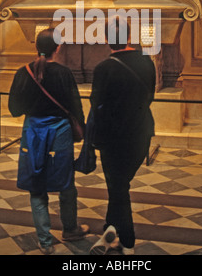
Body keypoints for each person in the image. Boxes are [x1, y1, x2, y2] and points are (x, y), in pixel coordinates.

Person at [8, 28, 89, 255]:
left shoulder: (23, 73)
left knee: (36, 186)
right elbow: (75, 107)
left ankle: (45, 242)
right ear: (58, 47)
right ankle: (70, 228)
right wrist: (81, 132)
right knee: (66, 183)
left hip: (33, 132)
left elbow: (14, 110)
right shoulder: (64, 73)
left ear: (36, 46)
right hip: (60, 132)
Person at [89, 17, 156, 255]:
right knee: (119, 185)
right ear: (129, 37)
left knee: (118, 187)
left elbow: (96, 104)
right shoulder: (147, 63)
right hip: (141, 134)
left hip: (113, 139)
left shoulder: (103, 68)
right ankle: (109, 227)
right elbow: (150, 96)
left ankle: (127, 241)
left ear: (106, 40)